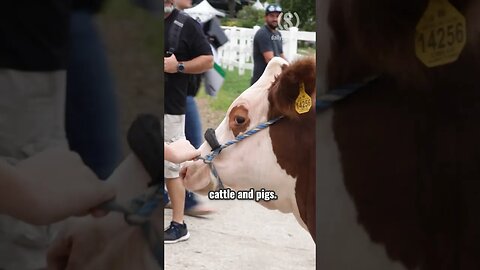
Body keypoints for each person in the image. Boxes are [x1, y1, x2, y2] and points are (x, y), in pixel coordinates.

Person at [164, 0, 213, 244]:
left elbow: (207, 60)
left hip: (170, 109)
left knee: (171, 169)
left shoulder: (186, 25)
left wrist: (178, 66)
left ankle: (179, 224)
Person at [251, 4, 286, 85]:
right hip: (262, 81)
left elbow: (281, 55)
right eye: (272, 16)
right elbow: (270, 60)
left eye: (277, 16)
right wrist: (287, 70)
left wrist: (292, 68)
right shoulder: (263, 33)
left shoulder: (278, 34)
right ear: (265, 17)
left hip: (274, 80)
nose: (275, 19)